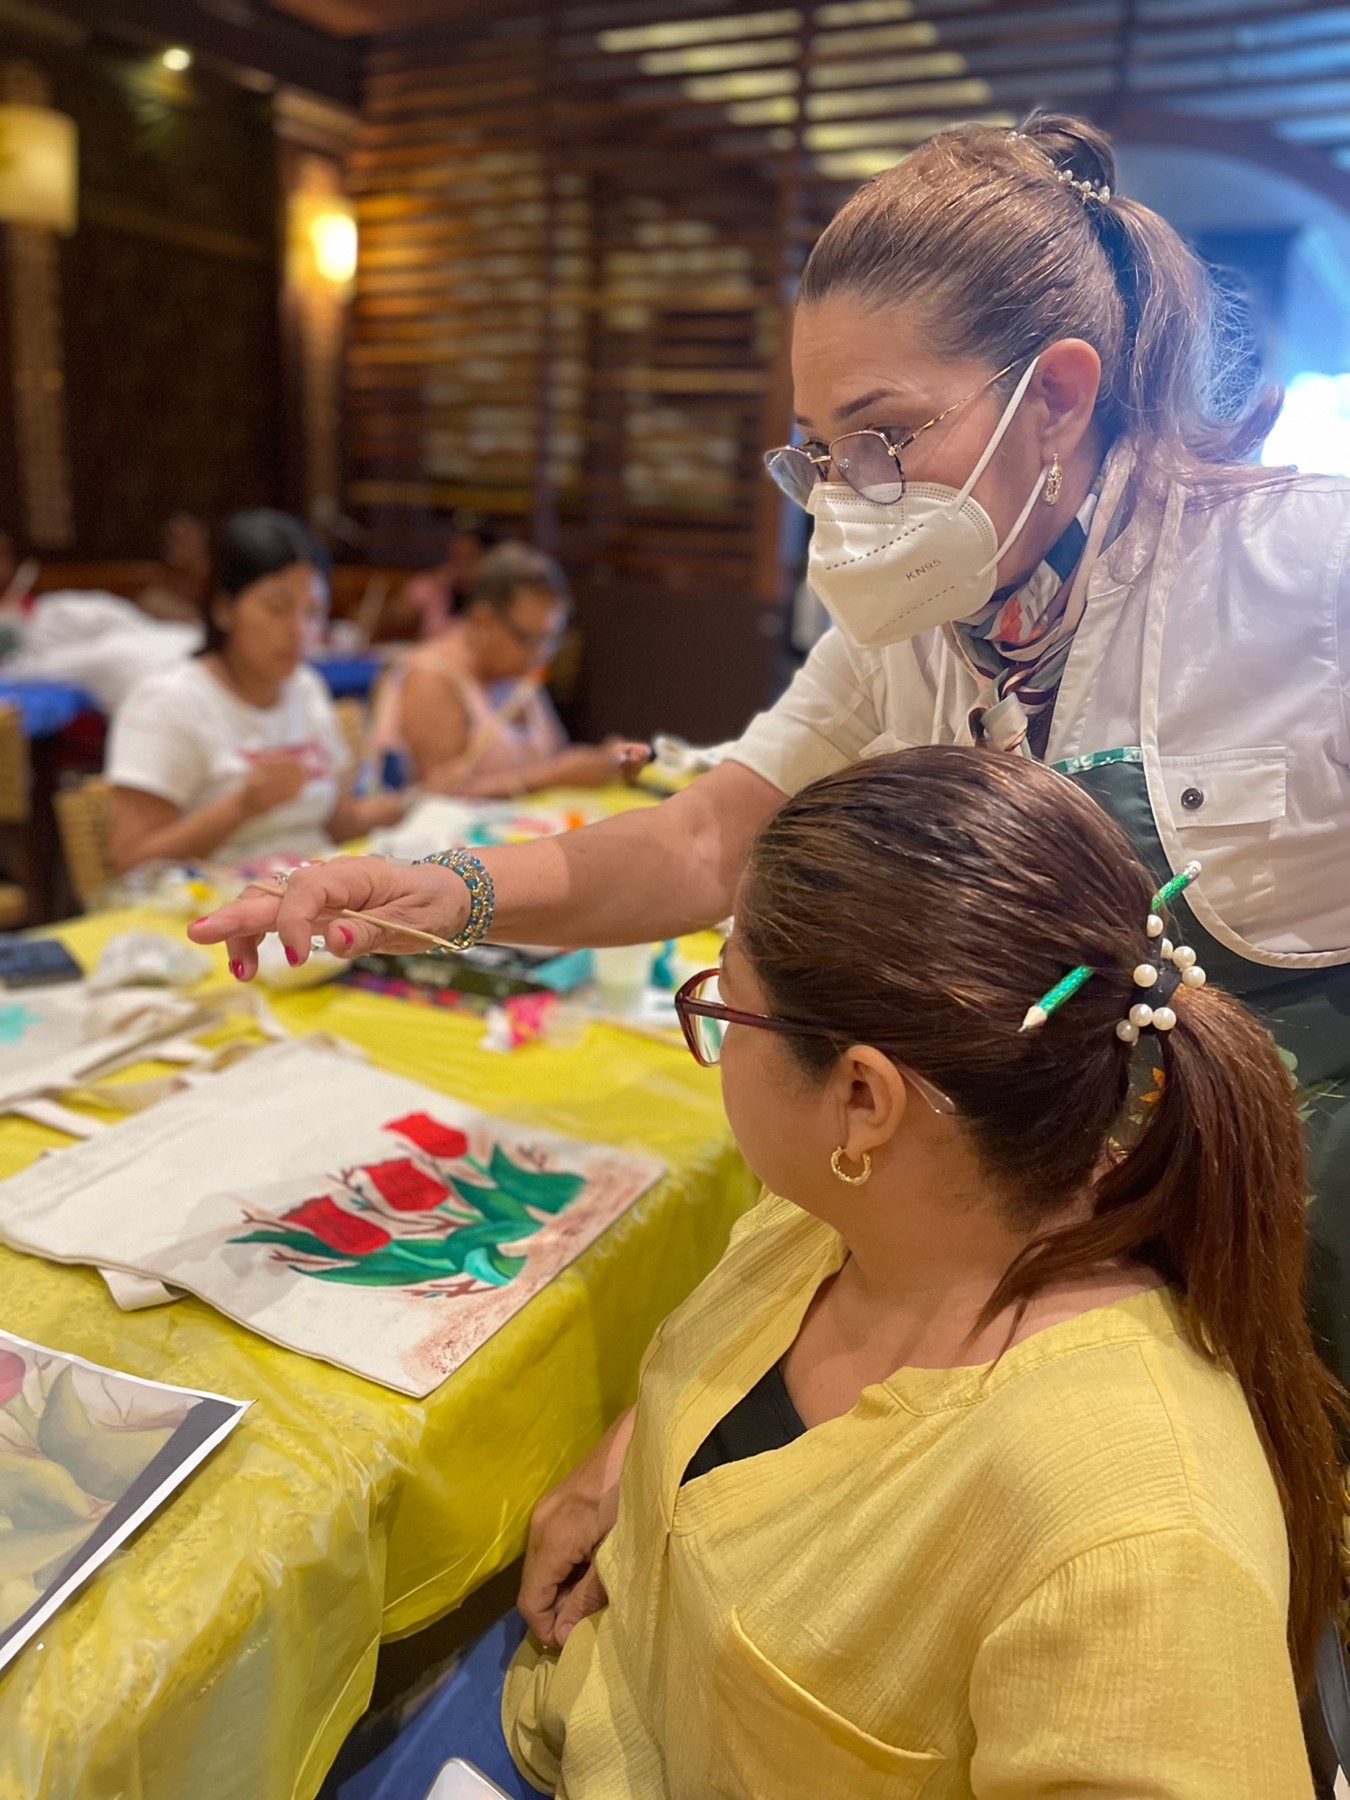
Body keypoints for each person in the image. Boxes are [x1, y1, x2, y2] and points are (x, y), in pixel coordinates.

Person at [190, 113, 1350, 1370]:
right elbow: (703, 837)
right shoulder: (912, 632)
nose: (849, 500)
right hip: (1063, 1252)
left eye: (885, 438)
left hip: (1306, 1241)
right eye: (822, 455)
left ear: (1057, 398)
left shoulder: (1306, 577)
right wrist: (437, 892)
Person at [336, 748, 1347, 1799]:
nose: (715, 1044)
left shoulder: (1134, 1545)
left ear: (863, 1099)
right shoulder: (843, 1216)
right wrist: (621, 1470)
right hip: (566, 1711)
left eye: (723, 1010)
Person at [107, 510, 406, 874]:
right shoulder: (167, 701)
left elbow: (332, 822)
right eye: (277, 609)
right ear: (224, 608)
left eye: (313, 613)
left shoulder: (305, 688)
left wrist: (411, 803)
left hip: (309, 893)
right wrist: (242, 806)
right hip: (207, 911)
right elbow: (130, 862)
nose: (299, 631)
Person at [374, 542, 632, 798]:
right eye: (530, 639)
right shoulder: (430, 676)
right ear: (483, 620)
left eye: (551, 640)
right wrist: (554, 777)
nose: (541, 654)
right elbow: (441, 796)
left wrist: (599, 762)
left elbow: (550, 759)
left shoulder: (516, 669)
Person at [397, 510, 495, 639]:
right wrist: (431, 587)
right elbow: (397, 617)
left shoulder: (495, 595)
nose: (461, 565)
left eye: (469, 558)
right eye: (456, 557)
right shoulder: (439, 584)